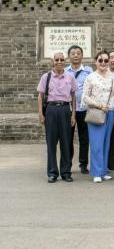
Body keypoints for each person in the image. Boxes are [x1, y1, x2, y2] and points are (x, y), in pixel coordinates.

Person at [37, 52, 77, 182]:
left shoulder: (70, 77)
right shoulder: (46, 77)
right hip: (51, 110)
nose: (59, 62)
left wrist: (73, 114)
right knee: (51, 143)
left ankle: (66, 172)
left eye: (61, 59)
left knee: (66, 142)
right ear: (52, 61)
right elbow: (40, 96)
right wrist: (41, 114)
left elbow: (73, 97)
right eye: (57, 59)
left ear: (65, 61)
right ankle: (52, 173)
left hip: (65, 110)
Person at [82, 50, 114, 183]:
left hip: (110, 111)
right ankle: (96, 172)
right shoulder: (90, 77)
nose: (103, 63)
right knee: (96, 143)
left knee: (106, 143)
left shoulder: (113, 77)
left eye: (106, 60)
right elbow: (85, 97)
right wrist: (99, 105)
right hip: (96, 112)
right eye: (100, 60)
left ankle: (103, 171)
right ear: (95, 62)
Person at [65, 45, 92, 174]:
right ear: (68, 56)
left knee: (84, 138)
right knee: (68, 138)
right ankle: (68, 163)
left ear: (82, 56)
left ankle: (83, 164)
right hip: (68, 109)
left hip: (84, 109)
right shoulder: (65, 71)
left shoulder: (88, 71)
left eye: (78, 53)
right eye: (73, 53)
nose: (75, 55)